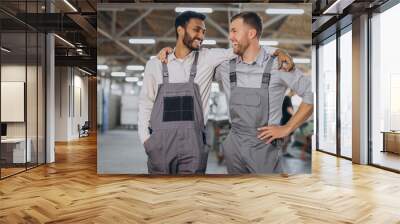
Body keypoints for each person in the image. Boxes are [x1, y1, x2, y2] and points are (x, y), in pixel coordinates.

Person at [138, 11, 294, 174]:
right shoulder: (155, 64)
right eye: (196, 30)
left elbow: (245, 47)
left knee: (192, 194)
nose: (201, 35)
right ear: (180, 30)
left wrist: (276, 51)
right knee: (161, 194)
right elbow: (145, 103)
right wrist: (146, 141)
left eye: (203, 32)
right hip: (160, 145)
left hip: (193, 145)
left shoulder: (208, 58)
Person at [214, 12, 314, 174]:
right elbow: (196, 60)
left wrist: (287, 128)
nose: (230, 36)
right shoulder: (225, 66)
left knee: (265, 196)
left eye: (234, 31)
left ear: (251, 33)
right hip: (235, 143)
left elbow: (311, 94)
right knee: (237, 195)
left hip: (264, 146)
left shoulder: (279, 65)